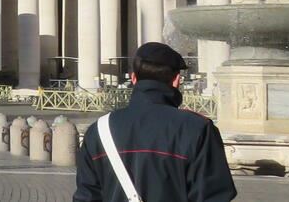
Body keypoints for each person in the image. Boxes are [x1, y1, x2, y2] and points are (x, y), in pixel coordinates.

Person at [74, 42, 236, 202]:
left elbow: (87, 196)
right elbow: (213, 195)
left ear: (133, 78)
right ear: (176, 80)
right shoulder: (197, 128)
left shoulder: (99, 130)